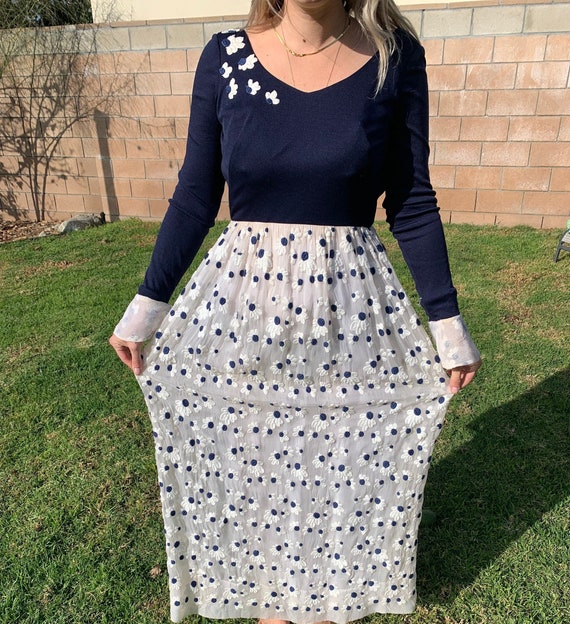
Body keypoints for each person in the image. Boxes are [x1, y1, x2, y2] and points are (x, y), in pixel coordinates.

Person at [109, 1, 482, 622]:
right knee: (253, 466)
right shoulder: (225, 57)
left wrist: (447, 326)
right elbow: (197, 193)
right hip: (243, 307)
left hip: (350, 311)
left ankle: (327, 596)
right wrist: (146, 307)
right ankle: (270, 602)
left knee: (341, 462)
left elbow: (411, 198)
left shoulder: (394, 56)